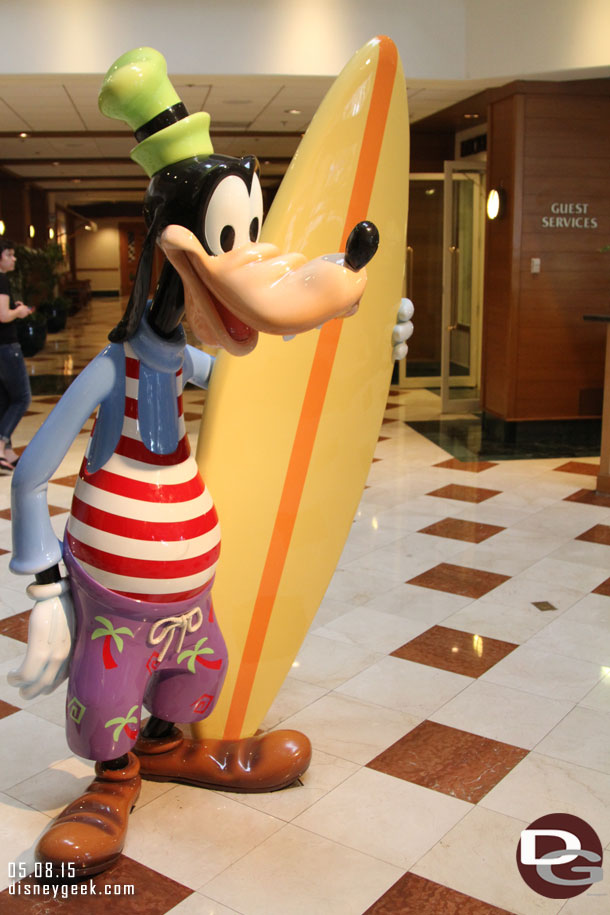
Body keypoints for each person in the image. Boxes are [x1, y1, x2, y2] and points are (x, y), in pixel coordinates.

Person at [0, 239, 33, 472]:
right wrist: (19, 312)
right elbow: (3, 315)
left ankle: (7, 452)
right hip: (6, 346)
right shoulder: (1, 279)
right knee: (22, 398)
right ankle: (0, 443)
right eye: (10, 255)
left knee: (4, 399)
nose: (14, 258)